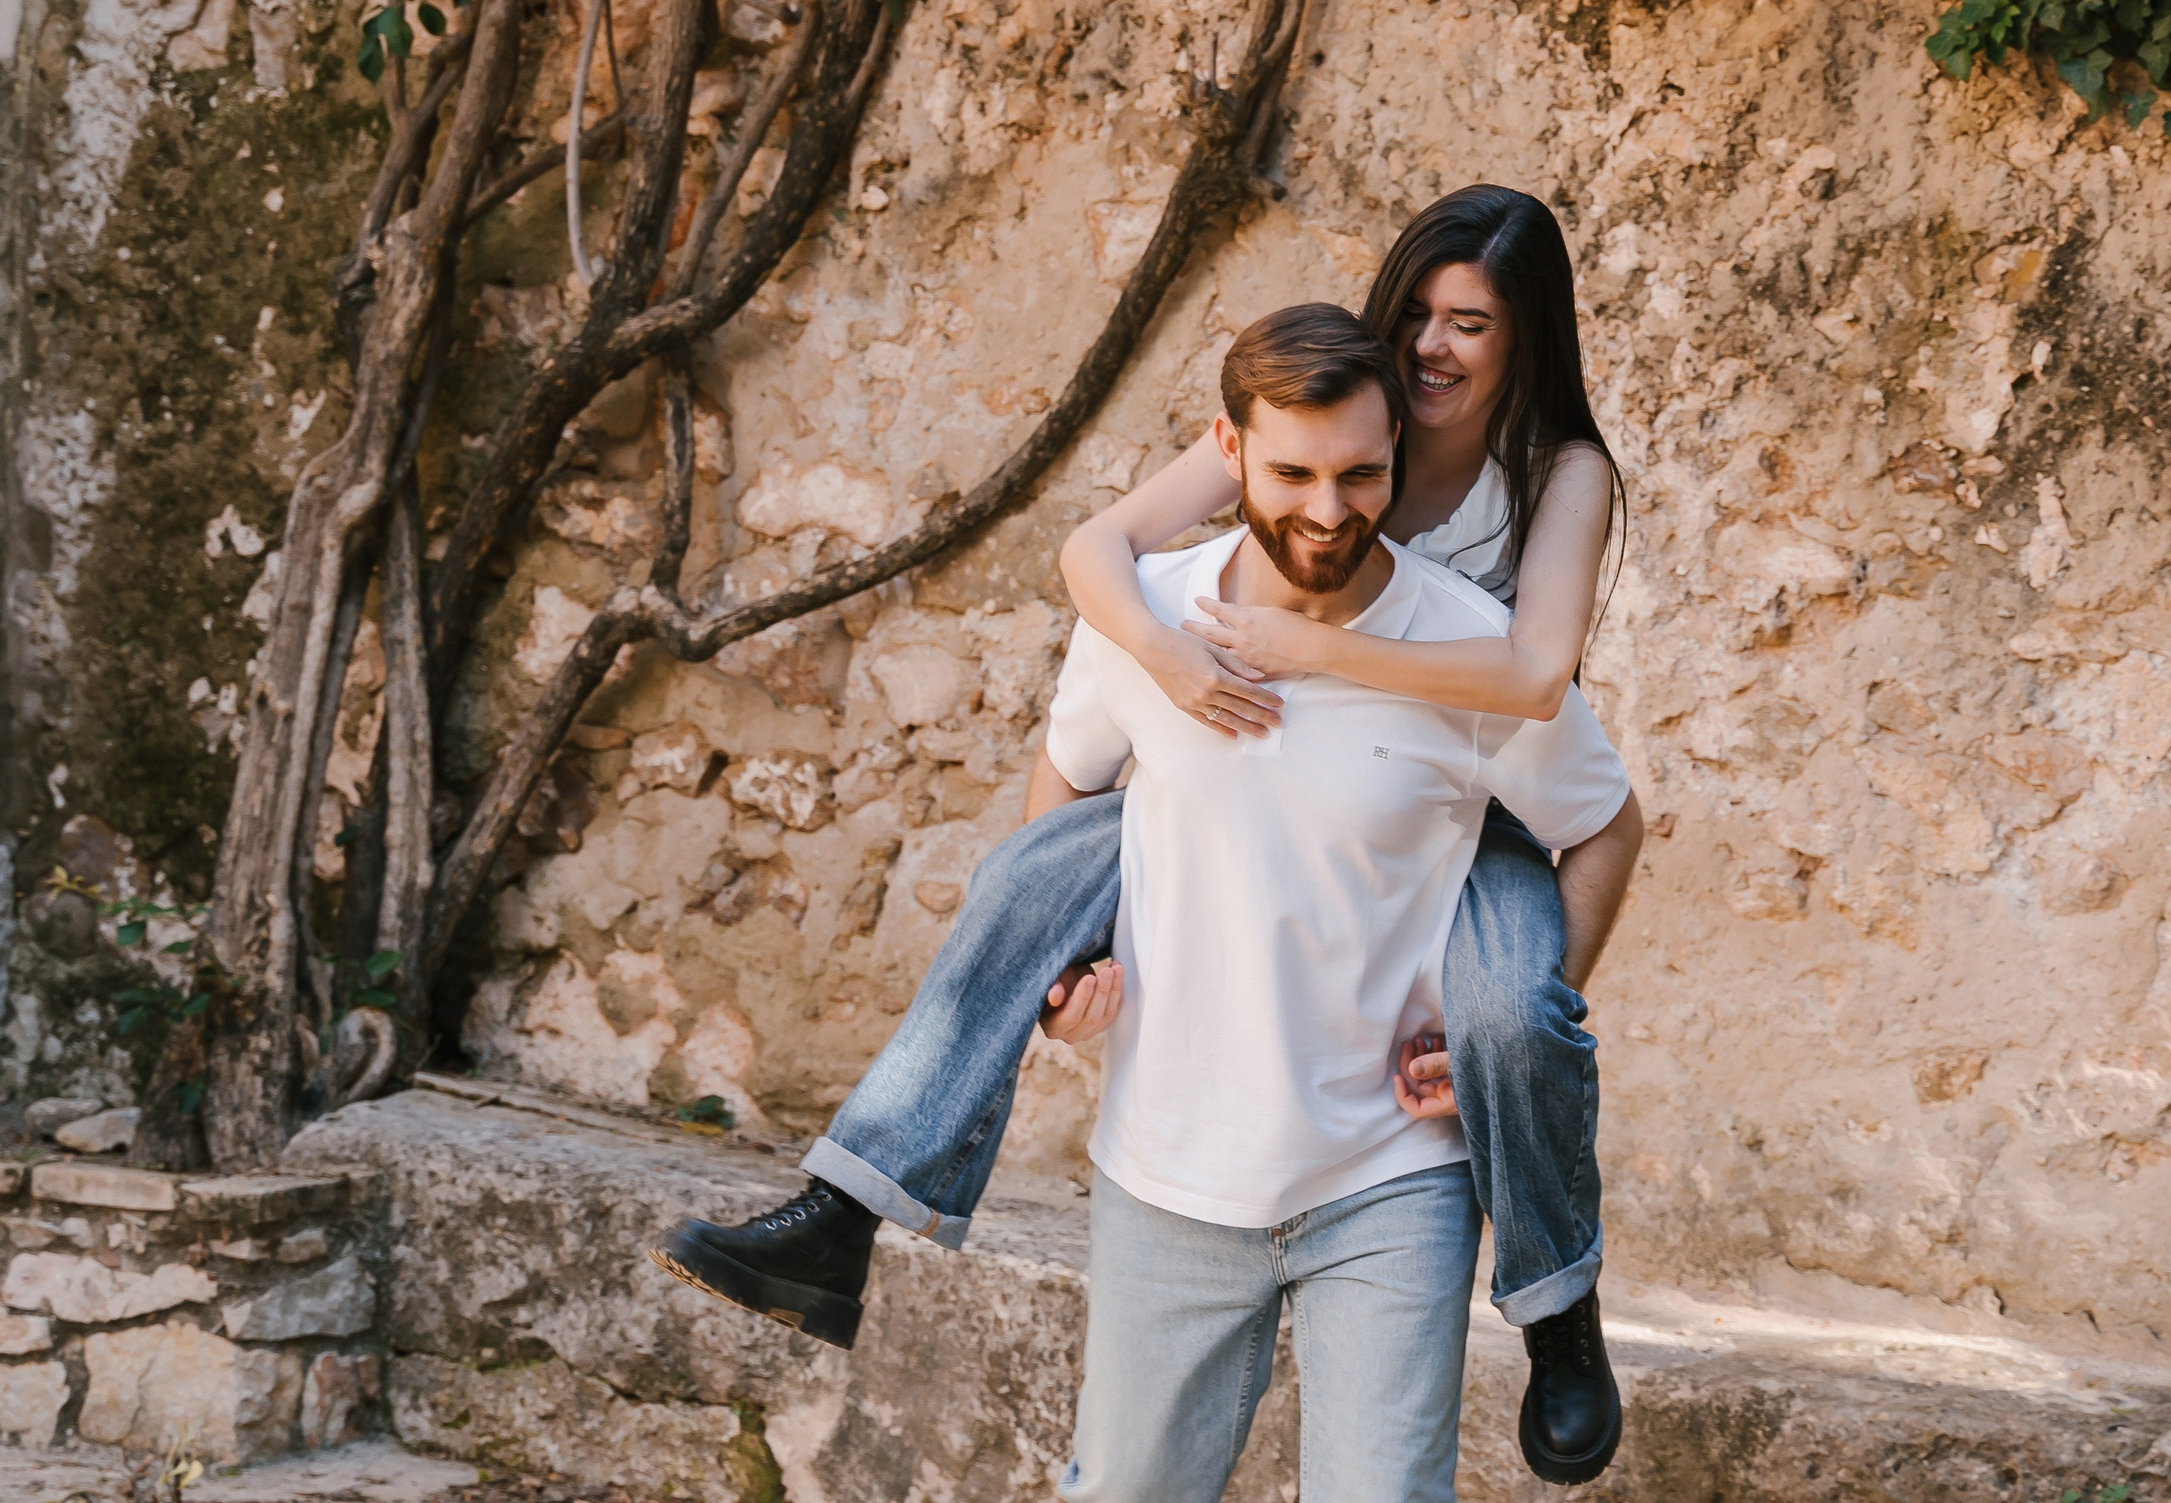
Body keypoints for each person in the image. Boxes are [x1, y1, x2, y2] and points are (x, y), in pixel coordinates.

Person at [653, 189, 1644, 1486]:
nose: (1434, 347)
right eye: (1418, 315)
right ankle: (846, 1207)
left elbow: (1532, 679)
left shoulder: (1550, 477)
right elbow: (1098, 549)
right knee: (1039, 877)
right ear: (1244, 450)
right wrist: (1164, 660)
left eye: (1474, 325)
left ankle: (1559, 1307)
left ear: (1517, 350)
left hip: (1477, 810)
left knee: (1516, 1017)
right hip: (1178, 1148)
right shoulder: (1304, 422)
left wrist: (1314, 649)